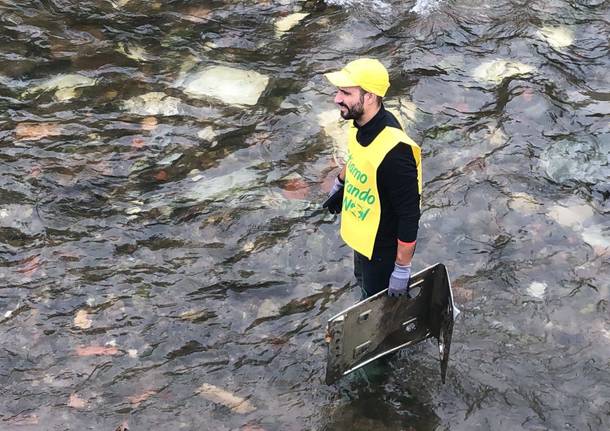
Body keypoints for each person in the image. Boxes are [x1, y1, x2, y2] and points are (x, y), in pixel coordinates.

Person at [323, 58, 422, 300]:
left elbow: (409, 215)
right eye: (338, 91)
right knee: (363, 283)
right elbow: (358, 155)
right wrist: (341, 183)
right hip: (363, 239)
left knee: (377, 304)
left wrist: (401, 268)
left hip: (382, 250)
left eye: (346, 92)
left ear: (370, 96)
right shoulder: (359, 124)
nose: (337, 98)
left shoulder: (396, 151)